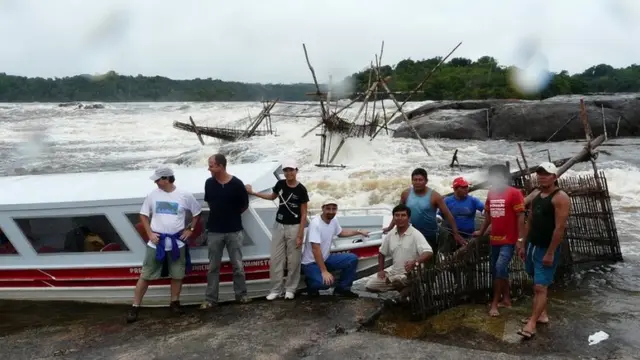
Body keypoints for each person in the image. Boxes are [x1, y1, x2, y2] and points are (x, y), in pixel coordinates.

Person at [127, 167, 202, 323]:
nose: (156, 182)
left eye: (158, 179)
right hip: (156, 243)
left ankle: (174, 302)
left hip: (177, 242)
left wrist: (191, 229)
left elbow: (197, 213)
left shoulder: (184, 195)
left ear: (167, 179)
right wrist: (149, 234)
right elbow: (143, 215)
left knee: (177, 274)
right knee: (146, 275)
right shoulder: (152, 195)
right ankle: (135, 306)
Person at [517, 162, 570, 340]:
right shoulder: (538, 195)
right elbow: (530, 220)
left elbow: (559, 228)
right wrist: (523, 243)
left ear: (555, 177)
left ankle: (532, 323)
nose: (542, 177)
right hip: (533, 245)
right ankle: (542, 315)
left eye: (546, 174)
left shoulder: (560, 197)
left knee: (541, 286)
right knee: (536, 281)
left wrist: (550, 252)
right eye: (539, 174)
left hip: (546, 248)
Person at [246, 159, 309, 300]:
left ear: (296, 171)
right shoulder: (280, 184)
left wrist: (300, 234)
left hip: (294, 226)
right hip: (279, 225)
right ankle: (275, 289)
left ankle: (291, 288)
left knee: (294, 259)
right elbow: (272, 197)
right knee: (276, 258)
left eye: (291, 170)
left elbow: (304, 213)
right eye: (286, 170)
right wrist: (254, 193)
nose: (288, 173)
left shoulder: (301, 189)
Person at [473, 164, 525, 317]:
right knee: (498, 270)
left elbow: (521, 216)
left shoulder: (514, 193)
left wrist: (520, 239)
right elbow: (488, 217)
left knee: (500, 267)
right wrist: (481, 231)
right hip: (494, 239)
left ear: (505, 177)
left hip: (509, 239)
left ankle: (495, 303)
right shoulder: (491, 193)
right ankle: (507, 299)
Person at [200, 154, 251, 309]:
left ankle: (241, 295)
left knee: (237, 265)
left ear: (221, 166)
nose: (209, 169)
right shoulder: (209, 183)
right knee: (213, 267)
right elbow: (210, 202)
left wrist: (231, 216)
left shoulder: (236, 184)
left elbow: (244, 205)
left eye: (211, 165)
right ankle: (211, 299)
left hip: (234, 230)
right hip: (214, 230)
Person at [383, 168, 465, 255]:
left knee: (429, 260)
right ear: (412, 181)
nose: (417, 182)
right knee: (411, 258)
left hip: (429, 234)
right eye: (415, 180)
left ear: (426, 181)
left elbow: (448, 215)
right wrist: (390, 227)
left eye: (420, 180)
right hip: (411, 233)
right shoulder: (406, 194)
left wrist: (456, 233)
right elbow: (398, 213)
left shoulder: (435, 196)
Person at [301, 199, 369, 297]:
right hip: (310, 263)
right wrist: (324, 271)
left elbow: (340, 233)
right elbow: (315, 249)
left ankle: (342, 289)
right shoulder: (315, 224)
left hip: (325, 258)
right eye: (328, 209)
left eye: (334, 209)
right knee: (325, 283)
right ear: (322, 209)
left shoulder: (334, 220)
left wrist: (358, 231)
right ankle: (311, 284)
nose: (331, 211)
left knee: (352, 259)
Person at [365, 204, 433, 301]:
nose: (400, 218)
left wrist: (415, 262)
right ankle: (406, 289)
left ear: (408, 218)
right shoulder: (391, 234)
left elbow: (428, 252)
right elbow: (381, 253)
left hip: (411, 274)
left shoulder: (415, 234)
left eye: (403, 215)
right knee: (370, 285)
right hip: (394, 272)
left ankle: (409, 289)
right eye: (397, 215)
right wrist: (381, 270)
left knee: (398, 280)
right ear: (393, 218)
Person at [439, 177, 484, 252]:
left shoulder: (473, 200)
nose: (466, 189)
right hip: (451, 236)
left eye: (467, 186)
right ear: (455, 189)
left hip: (469, 235)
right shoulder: (447, 201)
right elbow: (439, 216)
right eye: (463, 187)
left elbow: (485, 210)